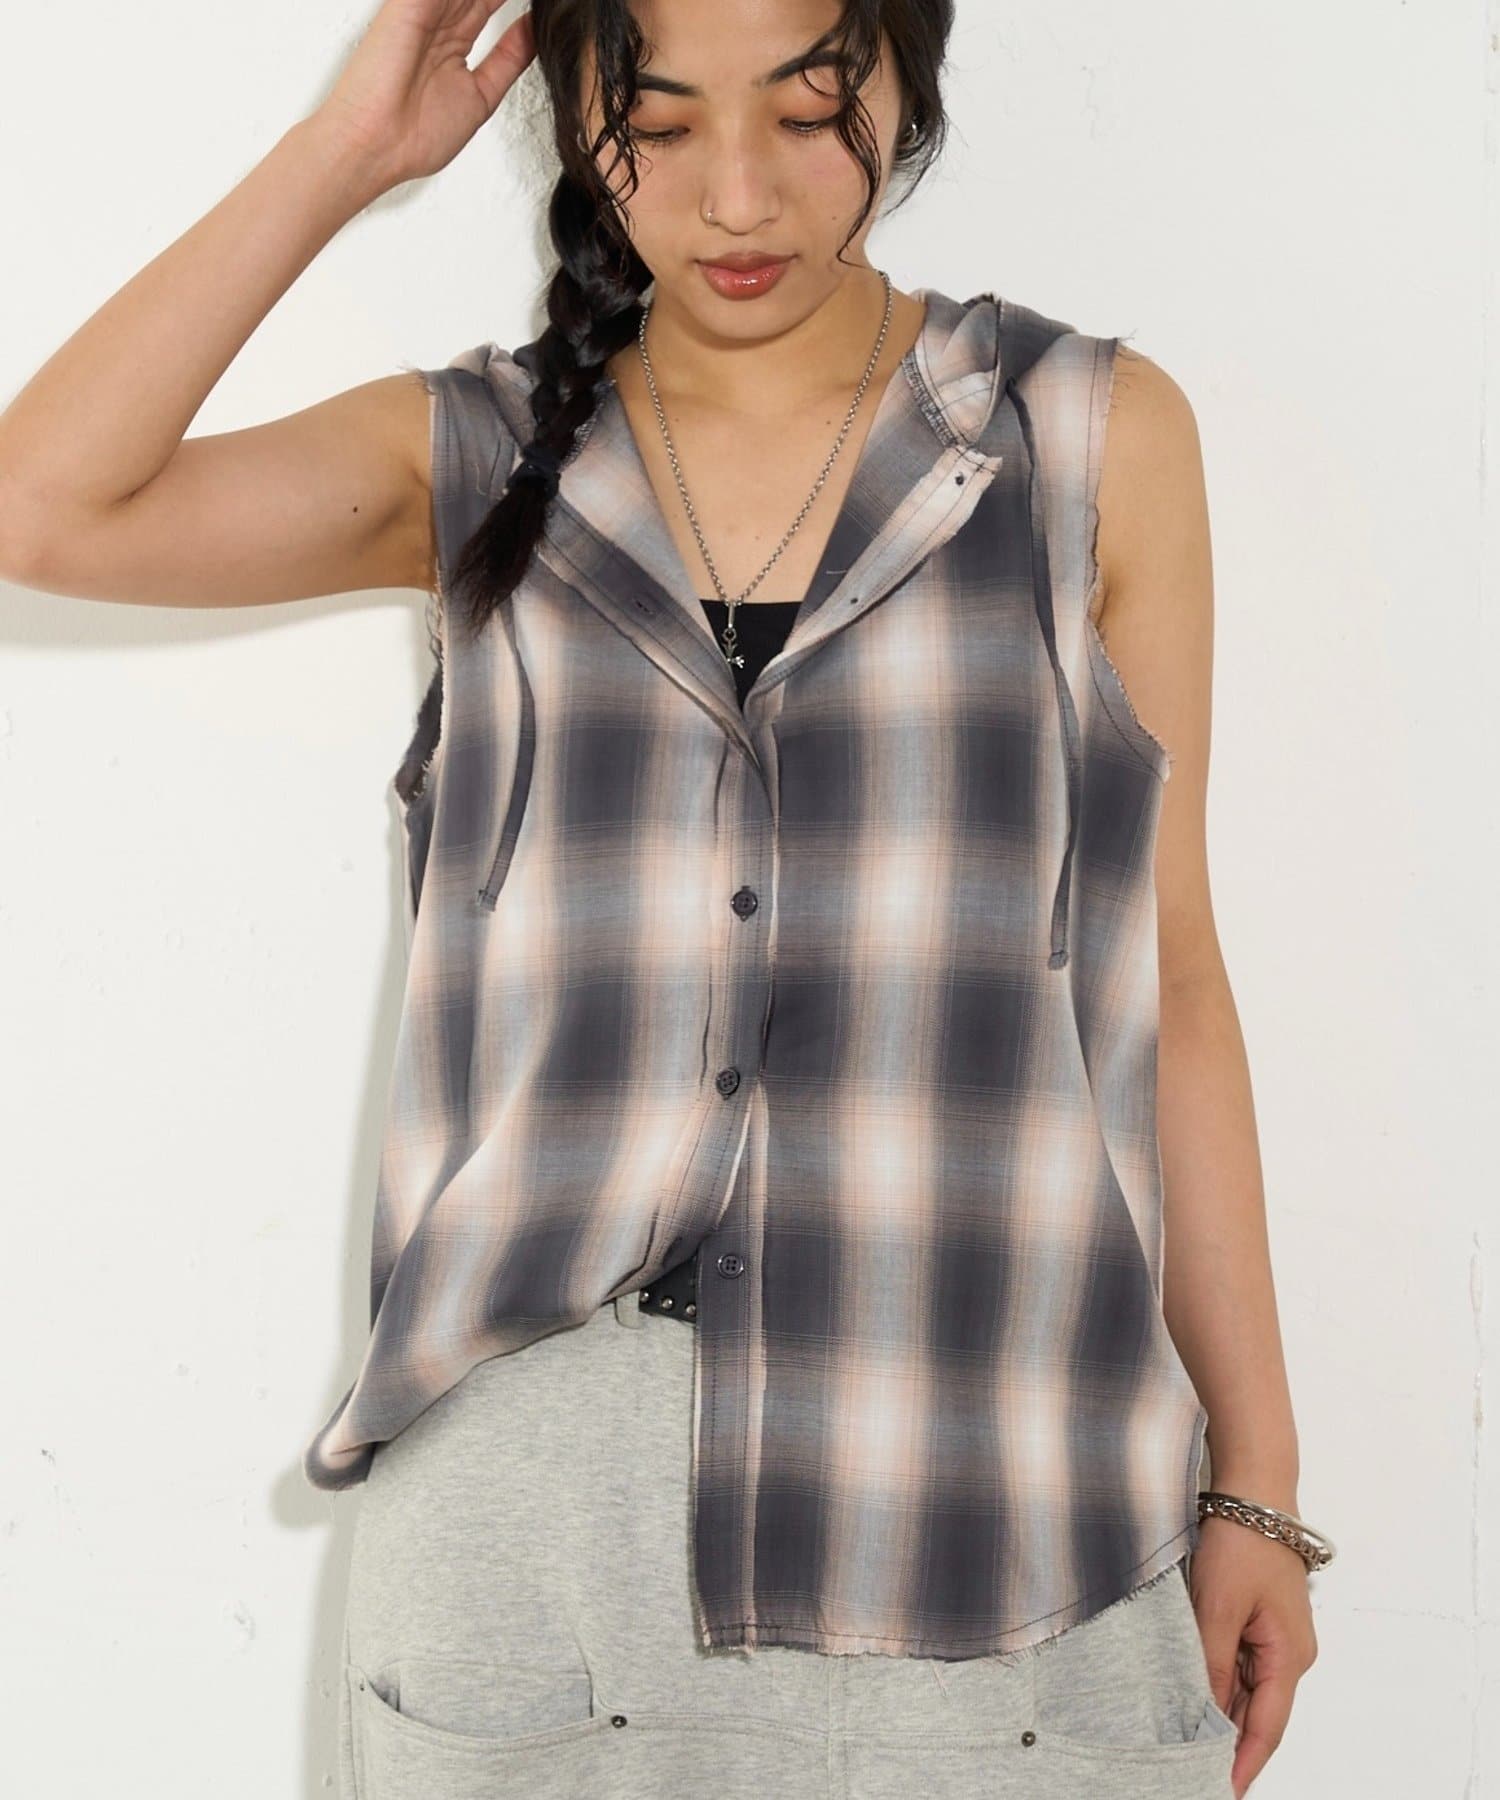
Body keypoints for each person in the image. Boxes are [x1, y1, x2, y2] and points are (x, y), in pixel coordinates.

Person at [0, 2, 1332, 1795]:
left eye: (807, 110)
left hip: (1007, 1512)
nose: (738, 197)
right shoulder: (476, 458)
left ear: (907, 82)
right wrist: (347, 155)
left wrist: (1258, 1478)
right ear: (573, 117)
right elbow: (39, 506)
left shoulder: (1087, 437)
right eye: (662, 122)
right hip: (537, 1549)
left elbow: (1172, 981)